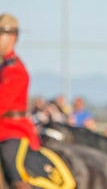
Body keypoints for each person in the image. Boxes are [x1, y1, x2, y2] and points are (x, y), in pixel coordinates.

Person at [0, 13, 74, 189]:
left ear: (13, 37)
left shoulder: (16, 70)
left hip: (12, 131)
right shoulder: (3, 68)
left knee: (13, 169)